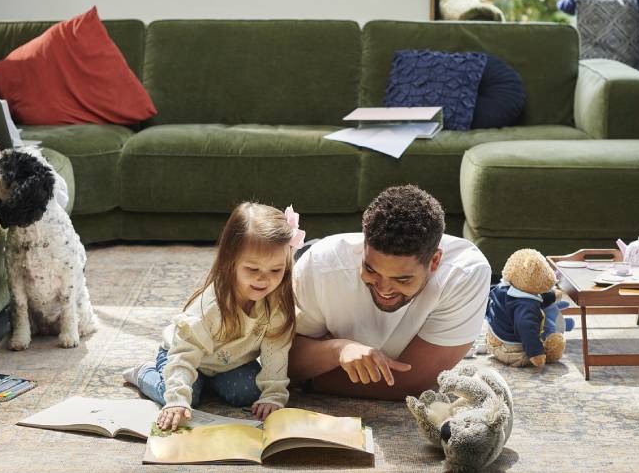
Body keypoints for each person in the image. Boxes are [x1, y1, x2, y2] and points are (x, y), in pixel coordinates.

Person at [288, 185, 490, 401]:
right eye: (370, 269)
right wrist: (338, 350)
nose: (384, 289)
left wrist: (311, 378)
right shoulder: (321, 265)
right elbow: (282, 363)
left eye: (402, 279)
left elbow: (412, 384)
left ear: (434, 261)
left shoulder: (465, 275)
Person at [123, 202, 304, 431]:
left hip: (228, 363)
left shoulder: (276, 302)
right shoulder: (210, 307)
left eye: (276, 270)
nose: (264, 279)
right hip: (184, 354)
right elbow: (185, 353)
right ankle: (144, 373)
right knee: (185, 398)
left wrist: (273, 396)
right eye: (253, 269)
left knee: (249, 392)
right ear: (231, 260)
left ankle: (206, 383)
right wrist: (177, 398)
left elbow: (275, 349)